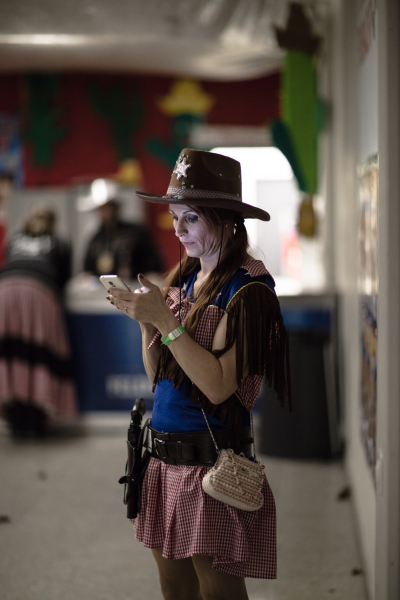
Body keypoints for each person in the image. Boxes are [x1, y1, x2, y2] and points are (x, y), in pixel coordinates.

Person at [107, 149, 291, 600]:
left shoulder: (249, 290)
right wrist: (147, 324)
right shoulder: (185, 276)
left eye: (191, 218)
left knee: (218, 591)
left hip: (210, 465)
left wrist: (165, 321)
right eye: (175, 218)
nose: (178, 230)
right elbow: (158, 375)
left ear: (227, 220)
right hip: (161, 459)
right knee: (175, 588)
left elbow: (218, 386)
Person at [0, 204, 77, 437]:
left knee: (10, 354)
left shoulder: (14, 239)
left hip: (5, 291)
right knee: (38, 353)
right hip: (39, 291)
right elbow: (64, 280)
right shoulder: (58, 242)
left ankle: (15, 418)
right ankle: (36, 418)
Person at [79, 178, 163, 279]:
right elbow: (87, 269)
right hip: (102, 287)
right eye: (100, 209)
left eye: (107, 207)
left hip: (134, 285)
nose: (103, 213)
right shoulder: (96, 238)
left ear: (116, 207)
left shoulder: (135, 233)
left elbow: (154, 262)